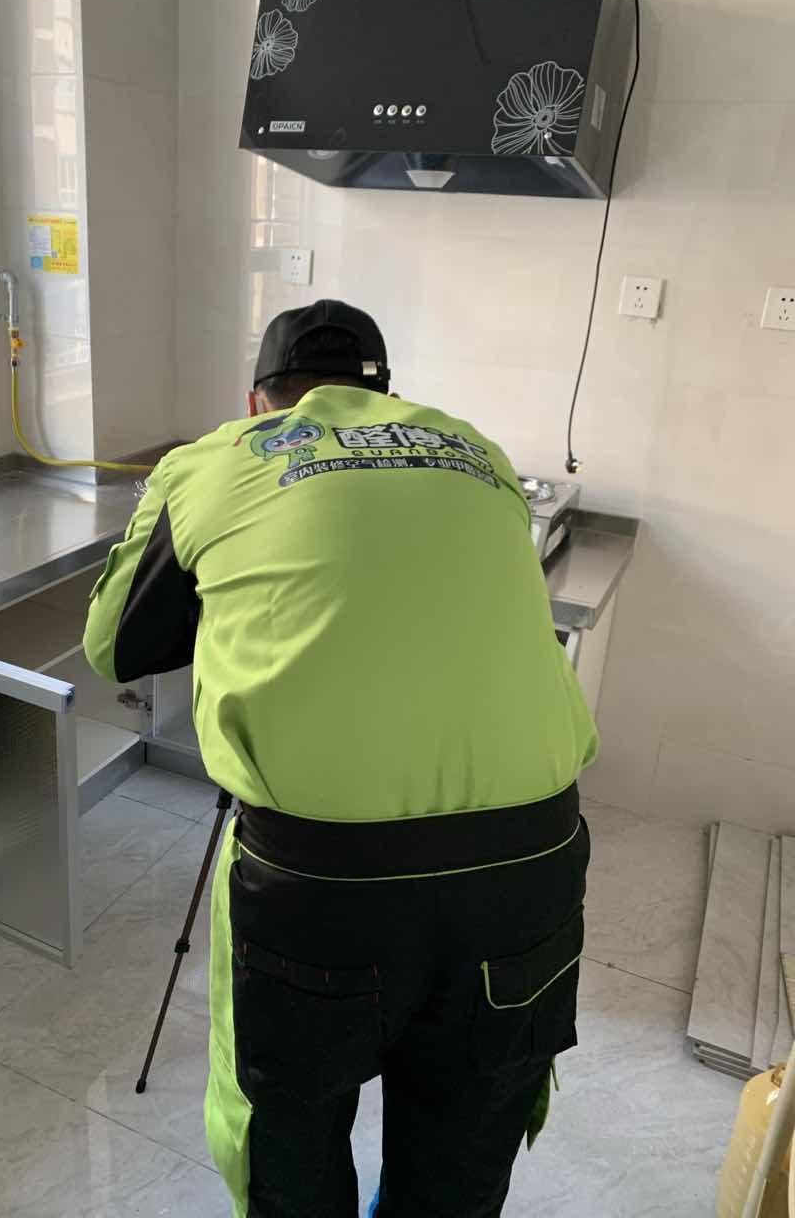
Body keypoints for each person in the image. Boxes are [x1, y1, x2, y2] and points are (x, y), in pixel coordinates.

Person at [84, 299, 597, 1218]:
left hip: (324, 884)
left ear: (257, 401)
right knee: (462, 1160)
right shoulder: (474, 450)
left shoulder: (213, 461)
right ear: (388, 396)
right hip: (531, 868)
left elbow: (115, 647)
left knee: (291, 1149)